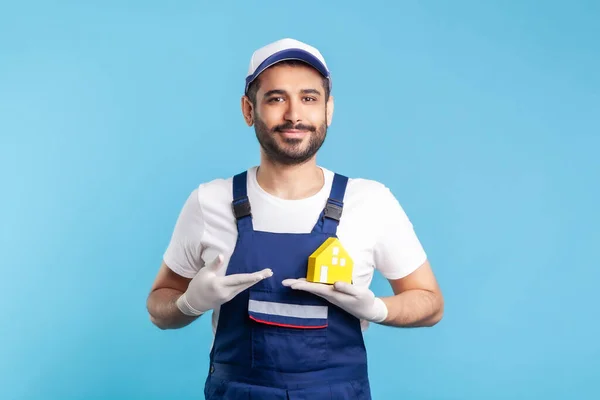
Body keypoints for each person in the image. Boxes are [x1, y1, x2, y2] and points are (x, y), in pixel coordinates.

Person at [146, 37, 444, 399]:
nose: (294, 115)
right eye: (276, 98)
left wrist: (377, 307)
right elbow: (159, 308)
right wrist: (188, 303)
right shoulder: (210, 201)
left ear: (328, 110)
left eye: (308, 98)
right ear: (248, 109)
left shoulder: (371, 202)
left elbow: (430, 303)